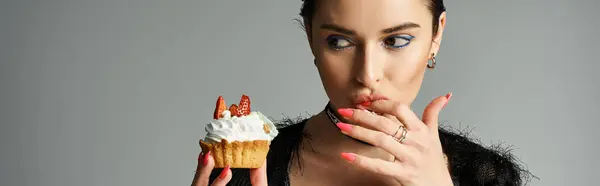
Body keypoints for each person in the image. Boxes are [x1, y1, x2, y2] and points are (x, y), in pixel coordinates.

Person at [192, 0, 530, 185]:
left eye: (396, 41)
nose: (367, 74)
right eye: (339, 42)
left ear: (436, 35)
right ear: (311, 36)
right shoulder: (241, 175)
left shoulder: (486, 178)